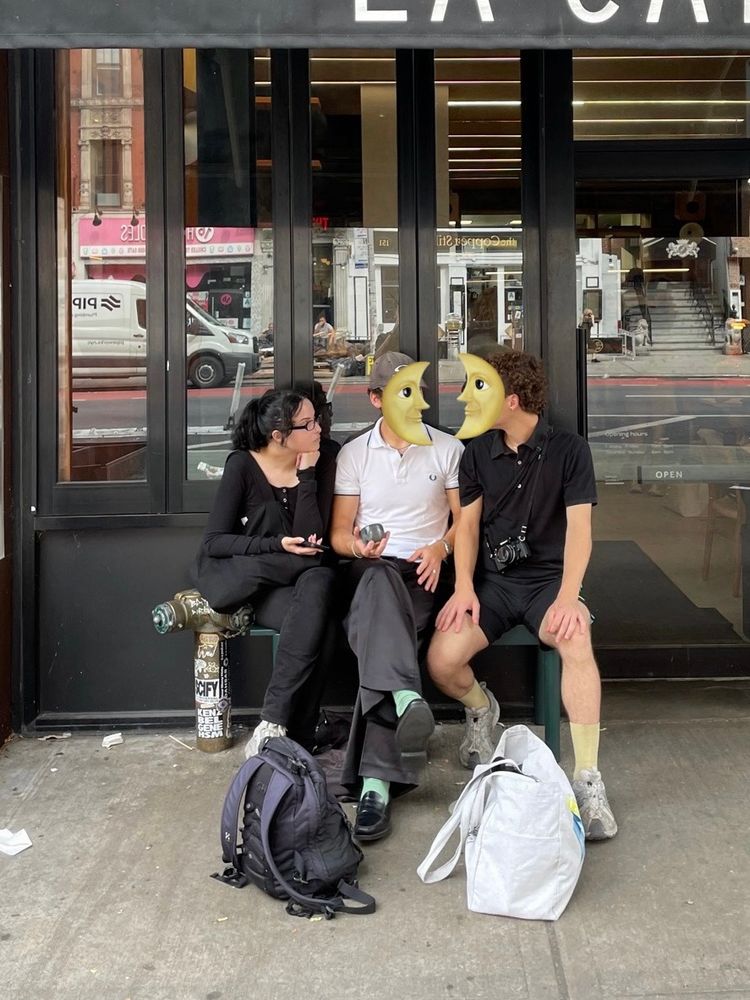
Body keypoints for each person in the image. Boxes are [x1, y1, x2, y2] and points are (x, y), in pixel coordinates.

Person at [427, 350, 617, 841]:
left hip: (550, 583)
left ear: (510, 399)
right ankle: (480, 708)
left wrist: (569, 598)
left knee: (576, 641)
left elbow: (580, 531)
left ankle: (588, 777)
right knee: (442, 659)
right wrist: (463, 587)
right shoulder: (476, 453)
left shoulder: (569, 450)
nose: (465, 398)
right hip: (494, 584)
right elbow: (467, 527)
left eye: (478, 388)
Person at [330, 352, 465, 842]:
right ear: (374, 399)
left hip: (424, 574)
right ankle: (405, 699)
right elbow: (339, 535)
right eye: (401, 392)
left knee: (383, 647)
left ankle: (375, 785)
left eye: (417, 391)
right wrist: (359, 547)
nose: (415, 402)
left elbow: (466, 521)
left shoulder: (448, 449)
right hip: (370, 570)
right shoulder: (354, 455)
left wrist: (441, 548)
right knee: (378, 583)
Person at [193, 389, 337, 758]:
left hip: (305, 583)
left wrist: (307, 475)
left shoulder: (323, 459)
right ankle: (297, 731)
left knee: (318, 582)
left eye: (318, 419)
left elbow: (311, 538)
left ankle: (274, 722)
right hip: (263, 588)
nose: (319, 428)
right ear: (278, 435)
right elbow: (214, 541)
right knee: (321, 606)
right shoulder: (243, 466)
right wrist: (275, 545)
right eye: (308, 424)